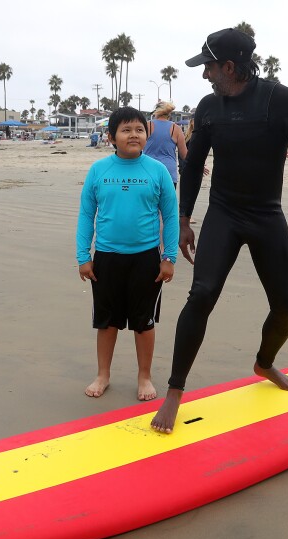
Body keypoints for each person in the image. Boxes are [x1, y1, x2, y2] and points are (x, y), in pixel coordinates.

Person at [150, 28, 288, 434]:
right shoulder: (210, 107)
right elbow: (192, 165)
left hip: (267, 216)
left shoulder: (283, 101)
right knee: (202, 294)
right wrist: (185, 219)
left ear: (229, 66)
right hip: (224, 214)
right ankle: (175, 391)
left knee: (287, 307)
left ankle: (264, 364)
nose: (205, 74)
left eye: (209, 66)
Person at [76, 106, 179, 401]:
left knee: (143, 322)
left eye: (138, 129)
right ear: (111, 137)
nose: (133, 135)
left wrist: (169, 258)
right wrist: (83, 256)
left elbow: (170, 216)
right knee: (107, 321)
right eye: (125, 130)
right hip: (106, 258)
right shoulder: (99, 170)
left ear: (146, 134)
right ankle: (103, 374)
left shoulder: (157, 171)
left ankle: (144, 376)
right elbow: (86, 215)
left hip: (146, 258)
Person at [144, 101, 188, 189]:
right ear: (169, 114)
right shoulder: (176, 129)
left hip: (147, 171)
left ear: (156, 112)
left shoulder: (146, 126)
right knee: (167, 202)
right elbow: (184, 155)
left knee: (147, 202)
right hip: (169, 173)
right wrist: (199, 164)